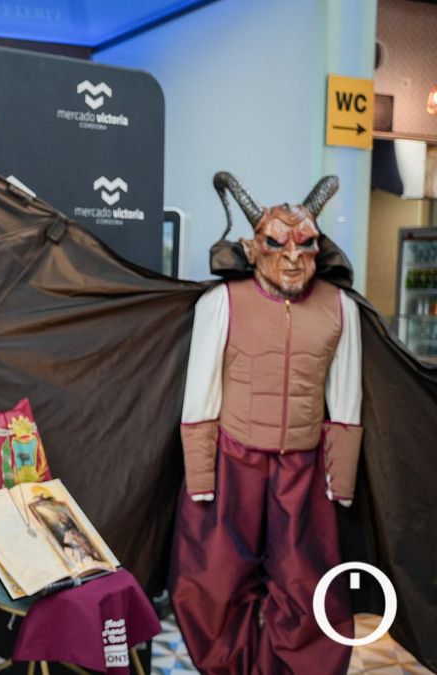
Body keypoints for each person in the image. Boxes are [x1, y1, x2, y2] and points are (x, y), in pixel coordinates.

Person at [172, 172, 360, 674]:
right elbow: (201, 395)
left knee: (310, 586)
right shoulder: (221, 304)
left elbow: (345, 401)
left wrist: (340, 484)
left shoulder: (340, 308)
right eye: (277, 244)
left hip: (303, 471)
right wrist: (201, 479)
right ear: (253, 248)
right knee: (212, 582)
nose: (293, 257)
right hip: (232, 462)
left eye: (305, 244)